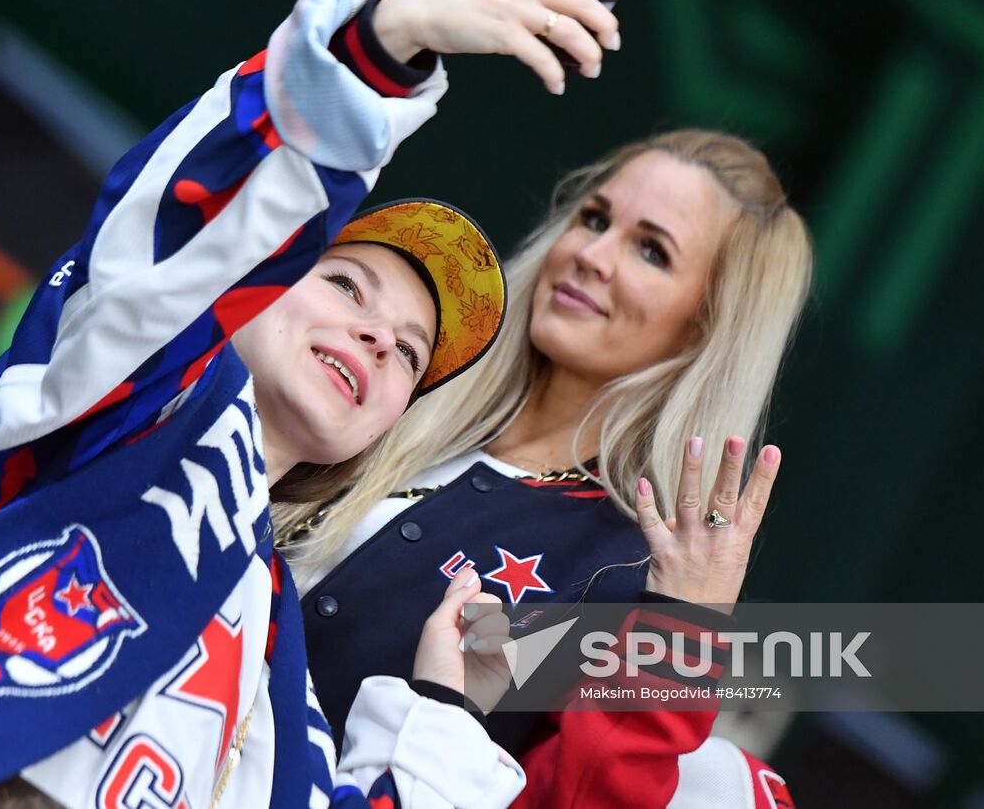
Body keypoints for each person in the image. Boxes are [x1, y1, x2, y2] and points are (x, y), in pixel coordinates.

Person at [0, 0, 632, 809]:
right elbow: (166, 245)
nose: (373, 335)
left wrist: (445, 707)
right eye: (349, 284)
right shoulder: (117, 394)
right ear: (254, 279)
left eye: (406, 353)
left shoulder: (272, 646)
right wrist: (383, 40)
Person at [281, 129, 814, 806]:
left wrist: (682, 629)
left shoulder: (628, 575)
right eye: (594, 218)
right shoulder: (402, 366)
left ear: (707, 326)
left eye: (651, 250)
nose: (592, 256)